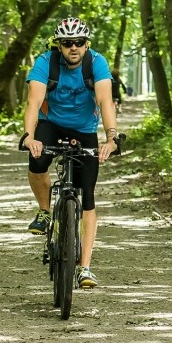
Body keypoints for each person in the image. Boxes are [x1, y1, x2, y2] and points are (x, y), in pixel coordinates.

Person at [20, 17, 120, 289]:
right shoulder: (46, 63)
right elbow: (34, 102)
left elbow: (105, 101)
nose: (73, 48)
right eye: (67, 43)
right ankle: (44, 211)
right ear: (59, 46)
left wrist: (111, 137)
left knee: (87, 195)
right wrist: (29, 136)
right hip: (51, 124)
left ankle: (84, 268)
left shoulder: (96, 63)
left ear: (86, 44)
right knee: (38, 160)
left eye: (78, 43)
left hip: (84, 128)